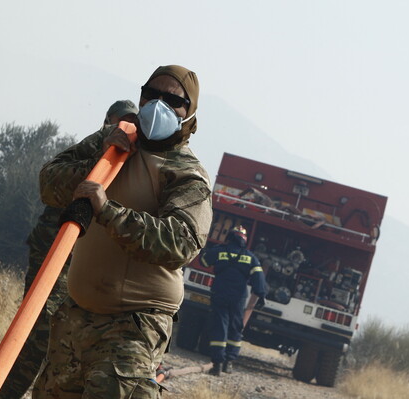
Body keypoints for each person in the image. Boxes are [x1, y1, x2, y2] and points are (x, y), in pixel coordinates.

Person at [32, 65, 212, 399]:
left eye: (173, 100)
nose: (159, 105)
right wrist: (96, 164)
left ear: (189, 112)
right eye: (151, 94)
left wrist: (107, 210)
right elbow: (49, 183)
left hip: (134, 324)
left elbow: (180, 243)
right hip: (76, 316)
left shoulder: (186, 174)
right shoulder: (113, 141)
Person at [0, 100, 139, 399]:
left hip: (90, 267)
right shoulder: (97, 145)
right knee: (38, 336)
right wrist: (99, 163)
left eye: (131, 122)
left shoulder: (138, 159)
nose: (124, 128)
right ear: (107, 120)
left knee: (66, 345)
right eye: (120, 121)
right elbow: (50, 181)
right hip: (56, 253)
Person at [200, 225, 267, 376]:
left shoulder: (219, 251)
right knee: (236, 328)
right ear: (244, 240)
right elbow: (259, 278)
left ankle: (217, 364)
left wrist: (205, 248)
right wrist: (261, 294)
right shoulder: (250, 257)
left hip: (220, 294)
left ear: (229, 237)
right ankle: (228, 363)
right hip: (238, 299)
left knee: (220, 327)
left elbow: (203, 262)